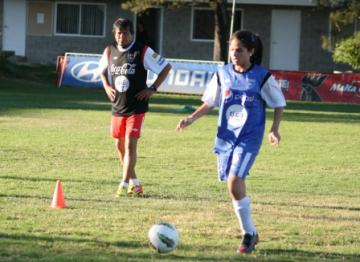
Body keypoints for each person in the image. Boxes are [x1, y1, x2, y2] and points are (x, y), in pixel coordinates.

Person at [176, 30, 286, 253]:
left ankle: (248, 234)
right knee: (233, 186)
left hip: (249, 137)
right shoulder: (222, 73)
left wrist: (274, 129)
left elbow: (278, 103)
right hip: (226, 137)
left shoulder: (262, 76)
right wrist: (190, 119)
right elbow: (210, 102)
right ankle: (251, 234)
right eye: (232, 50)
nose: (234, 54)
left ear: (251, 52)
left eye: (240, 50)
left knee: (234, 182)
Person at [99, 18, 171, 197]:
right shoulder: (109, 51)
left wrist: (152, 88)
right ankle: (135, 183)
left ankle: (123, 184)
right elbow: (101, 71)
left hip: (136, 108)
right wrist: (107, 86)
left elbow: (166, 67)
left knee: (131, 144)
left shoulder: (143, 50)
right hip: (118, 107)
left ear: (131, 33)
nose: (121, 36)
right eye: (117, 33)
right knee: (119, 145)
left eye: (124, 33)